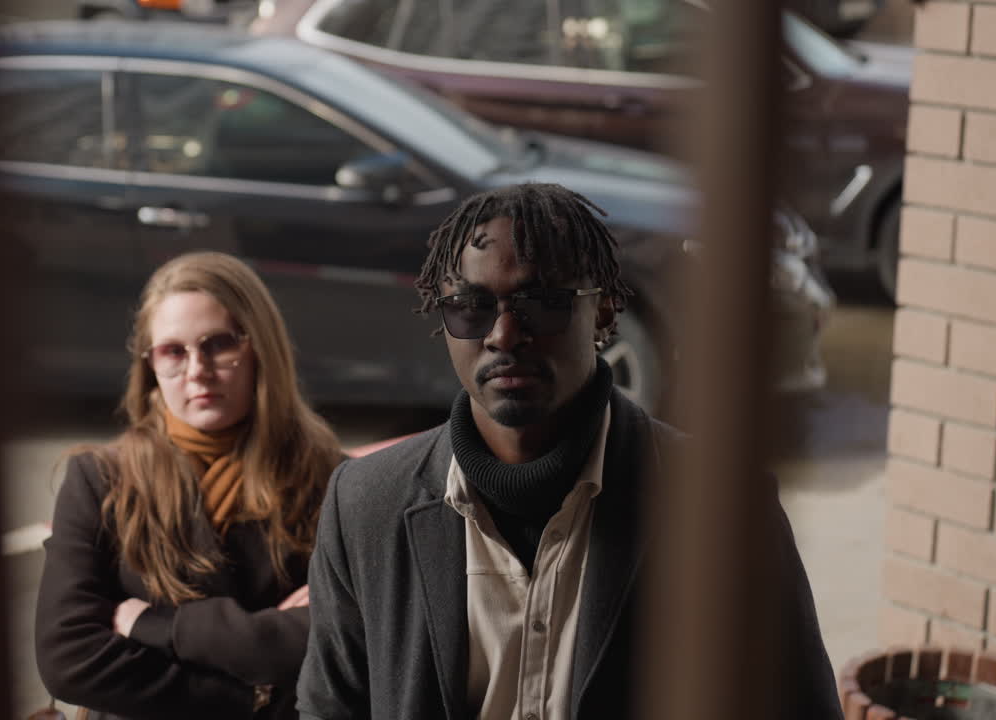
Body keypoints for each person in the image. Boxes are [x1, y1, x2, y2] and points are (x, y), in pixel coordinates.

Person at [295, 183, 843, 720]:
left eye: (542, 303)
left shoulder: (720, 502)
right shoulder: (366, 505)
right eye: (471, 306)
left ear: (604, 312)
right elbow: (331, 706)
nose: (505, 335)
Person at [35, 252, 343, 720]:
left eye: (218, 344)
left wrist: (156, 626)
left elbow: (339, 637)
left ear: (260, 346)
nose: (197, 369)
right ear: (150, 364)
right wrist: (250, 699)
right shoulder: (99, 479)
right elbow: (70, 659)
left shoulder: (331, 478)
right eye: (173, 352)